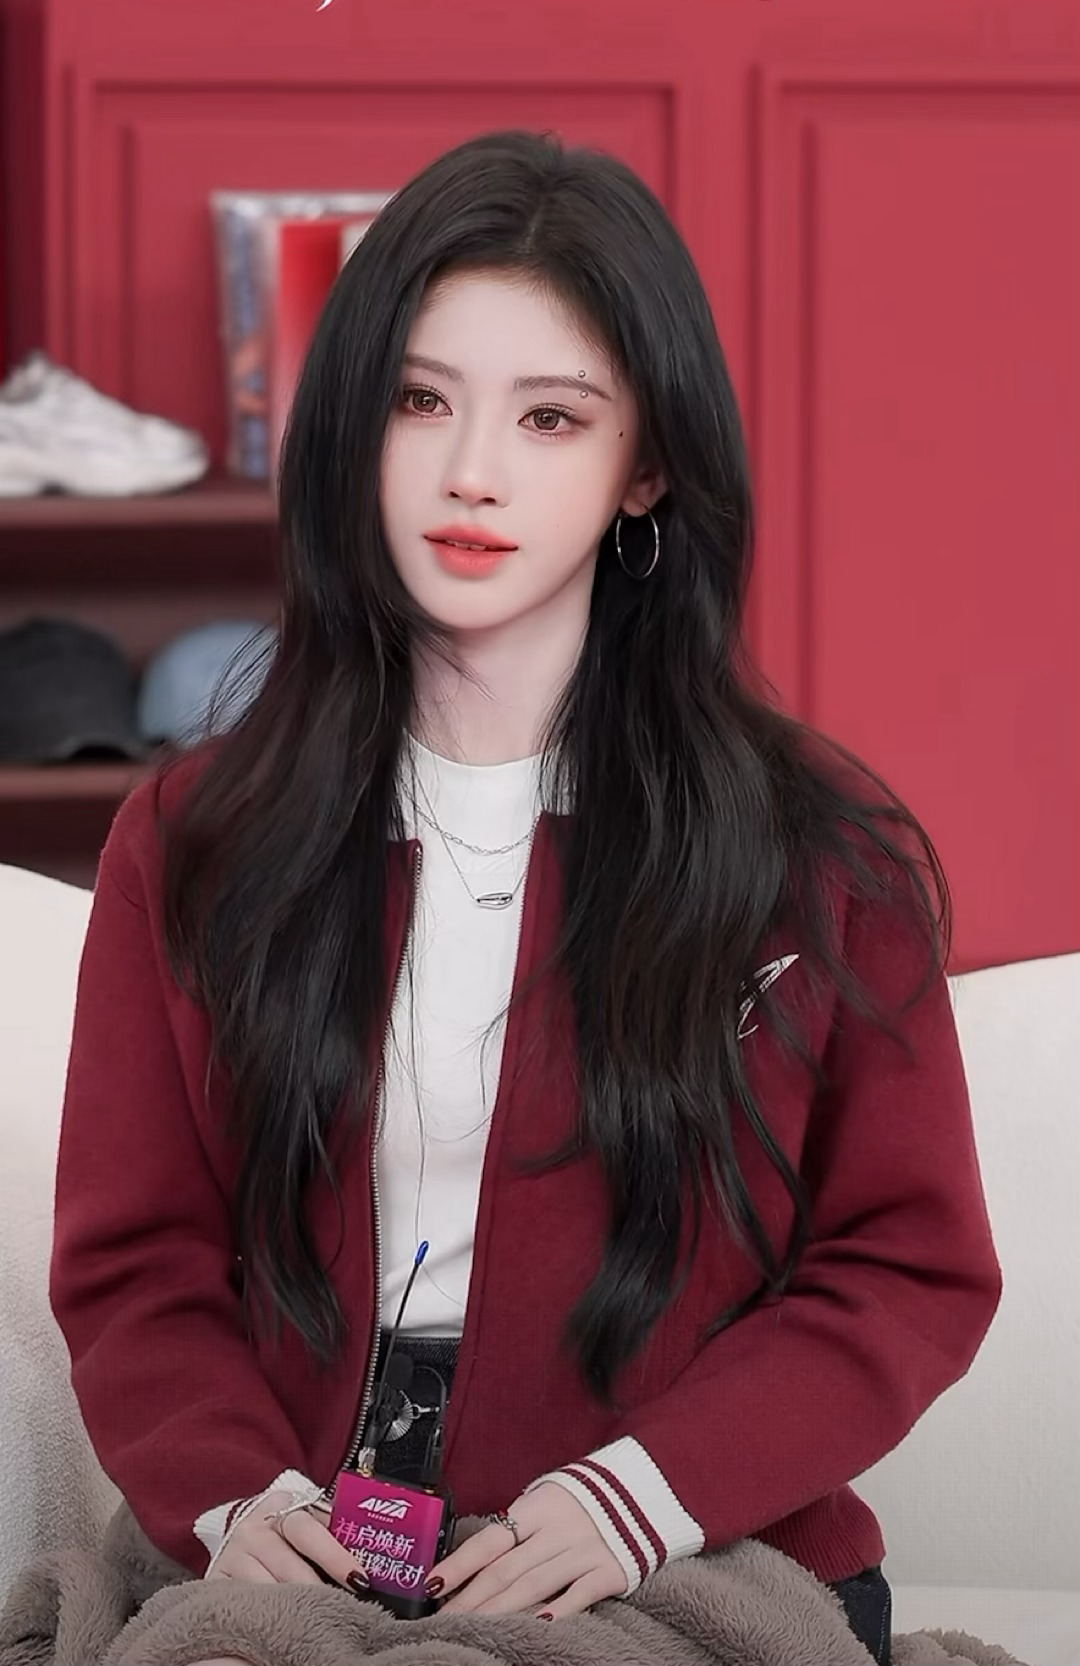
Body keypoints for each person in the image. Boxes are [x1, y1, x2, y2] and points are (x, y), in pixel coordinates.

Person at [49, 130, 1001, 1666]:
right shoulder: (197, 839)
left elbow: (909, 1267)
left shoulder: (815, 852)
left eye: (550, 416)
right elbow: (135, 1263)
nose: (471, 471)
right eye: (421, 400)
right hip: (303, 1555)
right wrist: (235, 1498)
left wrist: (639, 1496)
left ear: (647, 466)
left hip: (685, 1556)